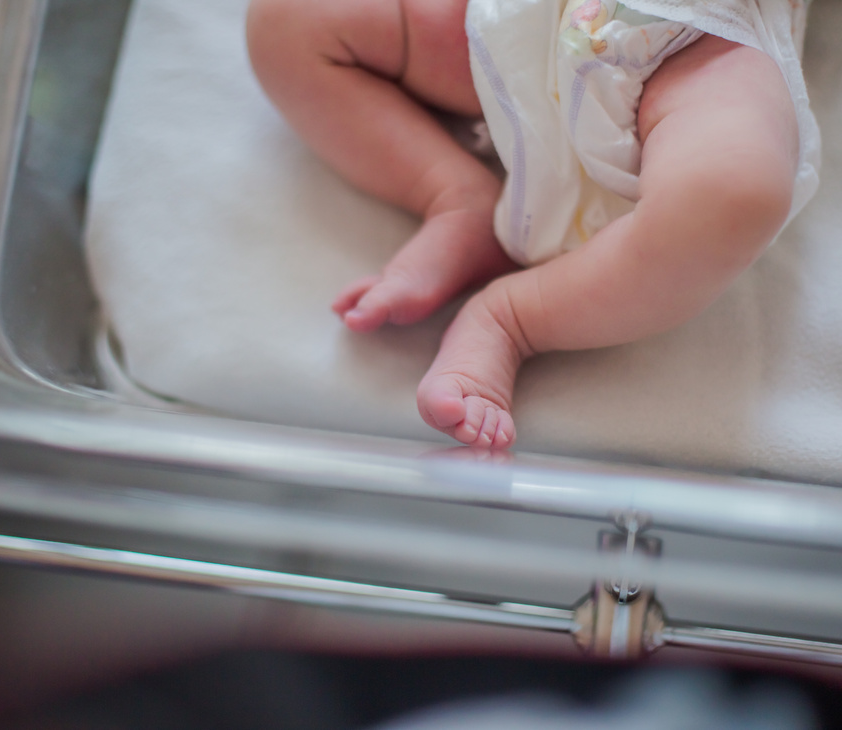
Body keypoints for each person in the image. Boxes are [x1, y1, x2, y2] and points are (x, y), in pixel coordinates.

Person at [246, 0, 804, 449]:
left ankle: (513, 318)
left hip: (701, 36)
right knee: (285, 18)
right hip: (522, 21)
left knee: (736, 189)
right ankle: (455, 196)